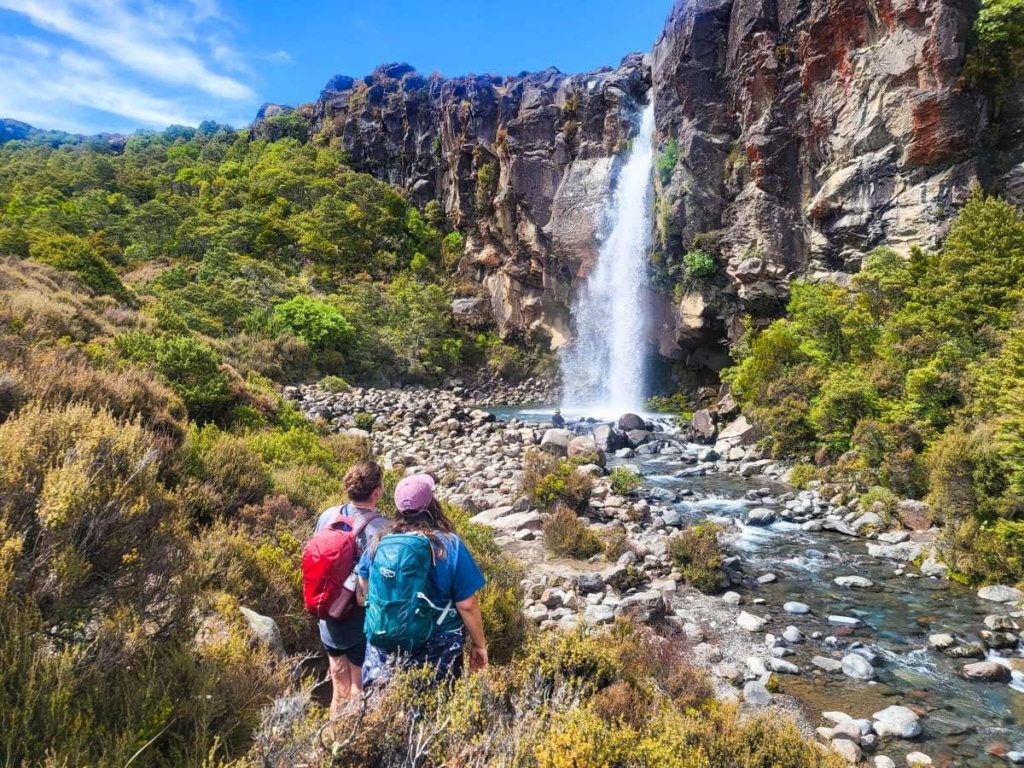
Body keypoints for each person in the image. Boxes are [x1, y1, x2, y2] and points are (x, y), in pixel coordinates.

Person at [356, 474, 487, 688]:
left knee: (383, 712)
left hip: (383, 645)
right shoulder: (449, 544)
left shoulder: (378, 542)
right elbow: (467, 604)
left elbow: (363, 596)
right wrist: (479, 645)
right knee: (434, 711)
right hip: (438, 646)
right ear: (431, 505)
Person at [314, 460, 388, 717]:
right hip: (359, 618)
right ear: (376, 491)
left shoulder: (328, 515)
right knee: (359, 683)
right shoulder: (382, 529)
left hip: (327, 613)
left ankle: (334, 734)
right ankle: (355, 741)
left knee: (338, 681)